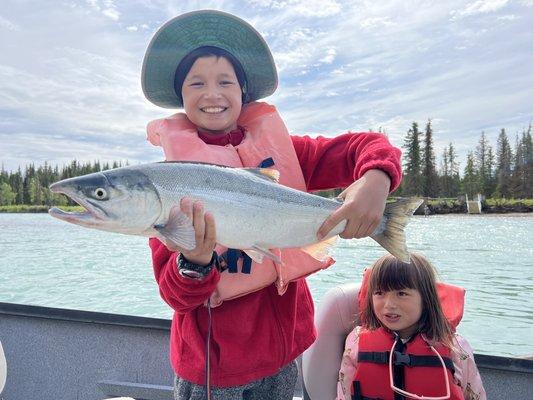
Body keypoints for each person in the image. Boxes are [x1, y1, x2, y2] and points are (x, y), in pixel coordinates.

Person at [142, 10, 402, 400]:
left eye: (225, 81)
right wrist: (194, 262)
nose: (212, 93)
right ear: (181, 97)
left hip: (284, 355)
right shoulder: (169, 185)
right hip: (214, 371)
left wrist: (377, 179)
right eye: (196, 83)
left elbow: (366, 146)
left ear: (243, 92)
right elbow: (176, 297)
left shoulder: (288, 154)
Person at [337, 253, 486, 400]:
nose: (389, 305)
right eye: (379, 293)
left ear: (426, 299)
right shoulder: (356, 341)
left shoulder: (456, 347)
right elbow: (344, 394)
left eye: (401, 293)